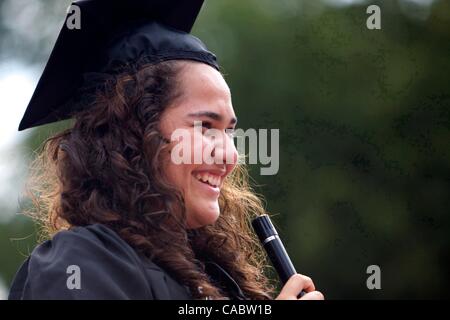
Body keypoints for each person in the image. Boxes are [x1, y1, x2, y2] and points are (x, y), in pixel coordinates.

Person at [9, 0, 324, 300]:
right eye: (205, 126)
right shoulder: (79, 264)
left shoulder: (214, 277)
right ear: (134, 134)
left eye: (229, 131)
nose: (230, 156)